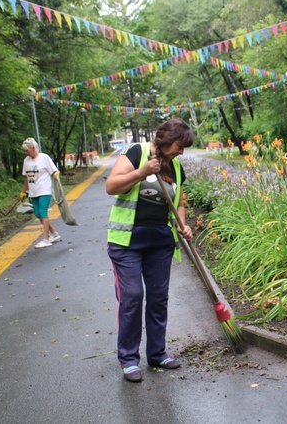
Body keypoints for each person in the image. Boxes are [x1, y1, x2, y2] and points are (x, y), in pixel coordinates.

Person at [105, 118, 194, 383]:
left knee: (158, 298)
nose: (182, 152)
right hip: (126, 241)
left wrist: (183, 225)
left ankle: (157, 353)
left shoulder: (177, 168)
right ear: (166, 139)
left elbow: (179, 203)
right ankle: (129, 359)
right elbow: (112, 186)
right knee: (132, 296)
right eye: (180, 145)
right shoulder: (135, 152)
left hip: (160, 242)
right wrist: (142, 172)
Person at [21, 138, 62, 249]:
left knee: (43, 213)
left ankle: (46, 239)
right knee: (38, 214)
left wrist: (56, 175)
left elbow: (55, 170)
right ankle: (54, 233)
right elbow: (27, 177)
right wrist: (23, 192)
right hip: (33, 191)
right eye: (24, 151)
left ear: (33, 148)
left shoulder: (44, 158)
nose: (26, 153)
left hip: (44, 190)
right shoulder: (27, 160)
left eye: (27, 150)